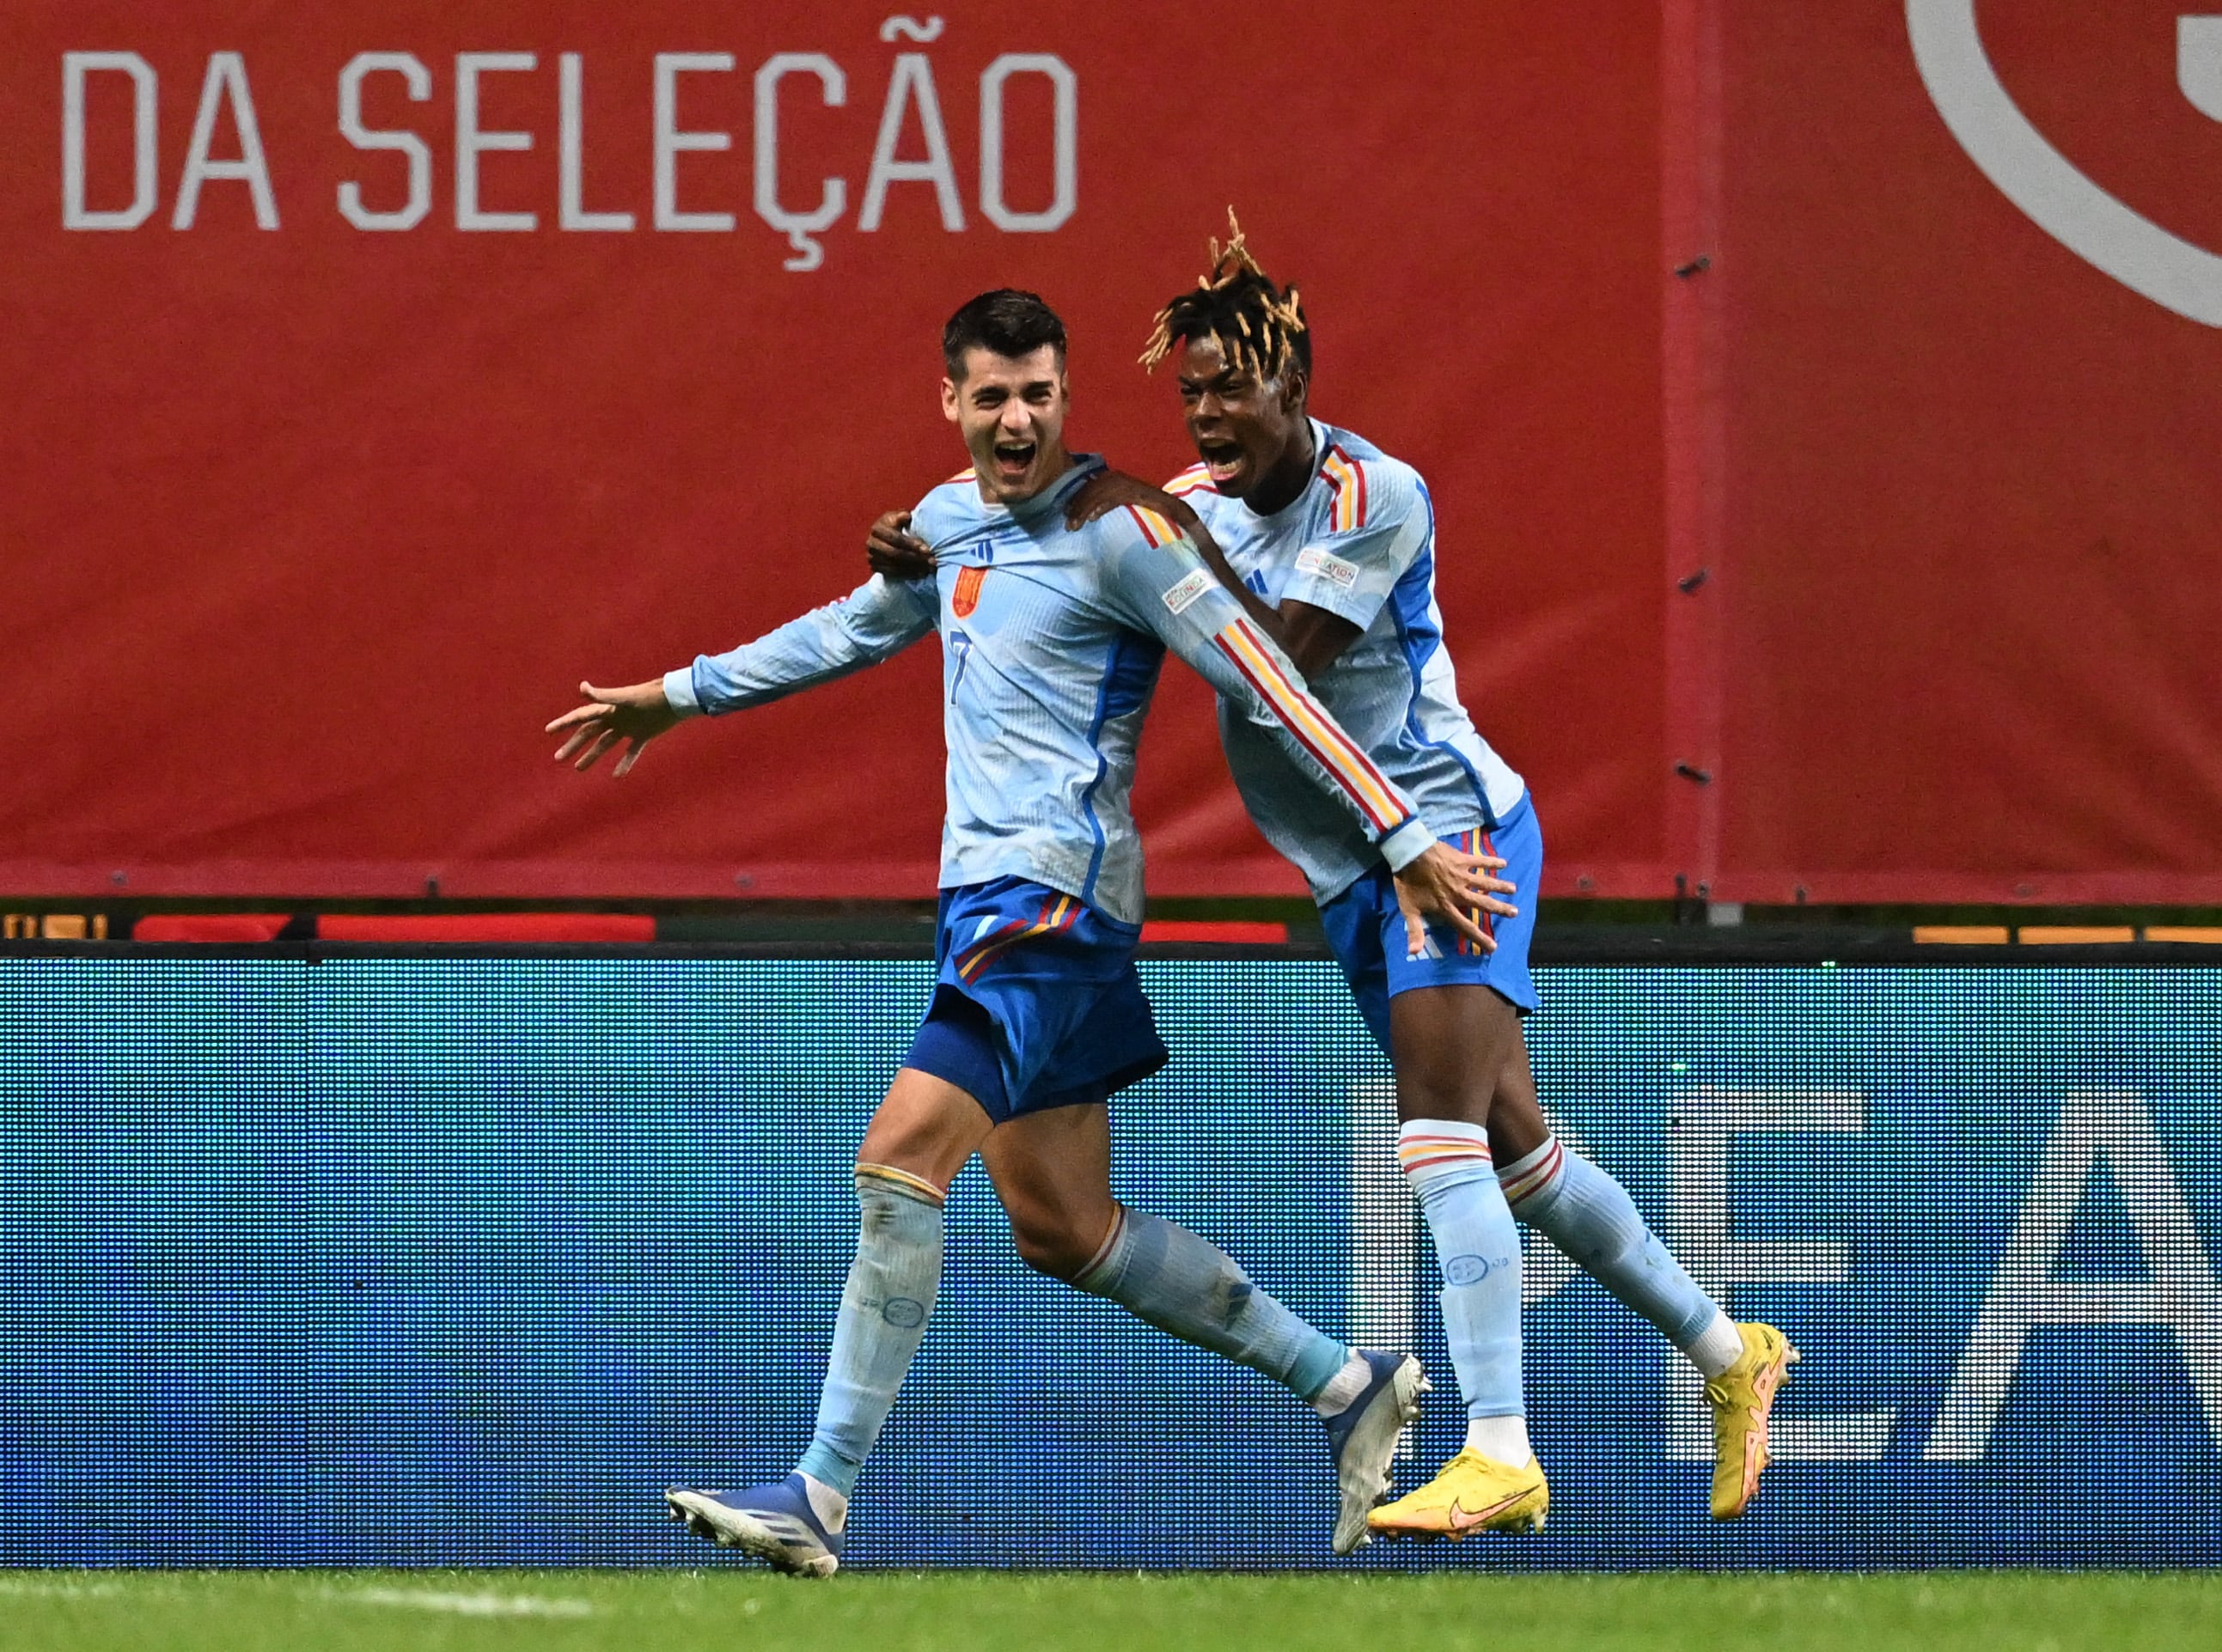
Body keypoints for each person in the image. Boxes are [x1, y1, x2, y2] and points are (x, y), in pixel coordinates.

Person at [546, 289, 1515, 1575]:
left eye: (1039, 394)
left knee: (897, 1164)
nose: (1017, 418)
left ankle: (817, 1495)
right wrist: (679, 696)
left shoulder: (1124, 531)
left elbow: (1269, 678)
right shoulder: (947, 524)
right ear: (949, 402)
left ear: (1067, 399)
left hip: (1048, 905)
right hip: (990, 905)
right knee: (1062, 1225)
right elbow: (850, 629)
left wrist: (1400, 834)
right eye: (992, 396)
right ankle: (1345, 1385)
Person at [867, 220, 1797, 1536]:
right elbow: (1079, 540)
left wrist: (1108, 552)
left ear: (1291, 387)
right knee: (1520, 1155)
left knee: (1434, 1134)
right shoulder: (1181, 509)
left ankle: (1498, 1446)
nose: (1205, 413)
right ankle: (1725, 1352)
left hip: (1444, 838)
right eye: (1187, 391)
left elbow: (1271, 667)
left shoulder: (1375, 495)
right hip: (1353, 871)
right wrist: (950, 543)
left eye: (1228, 387)